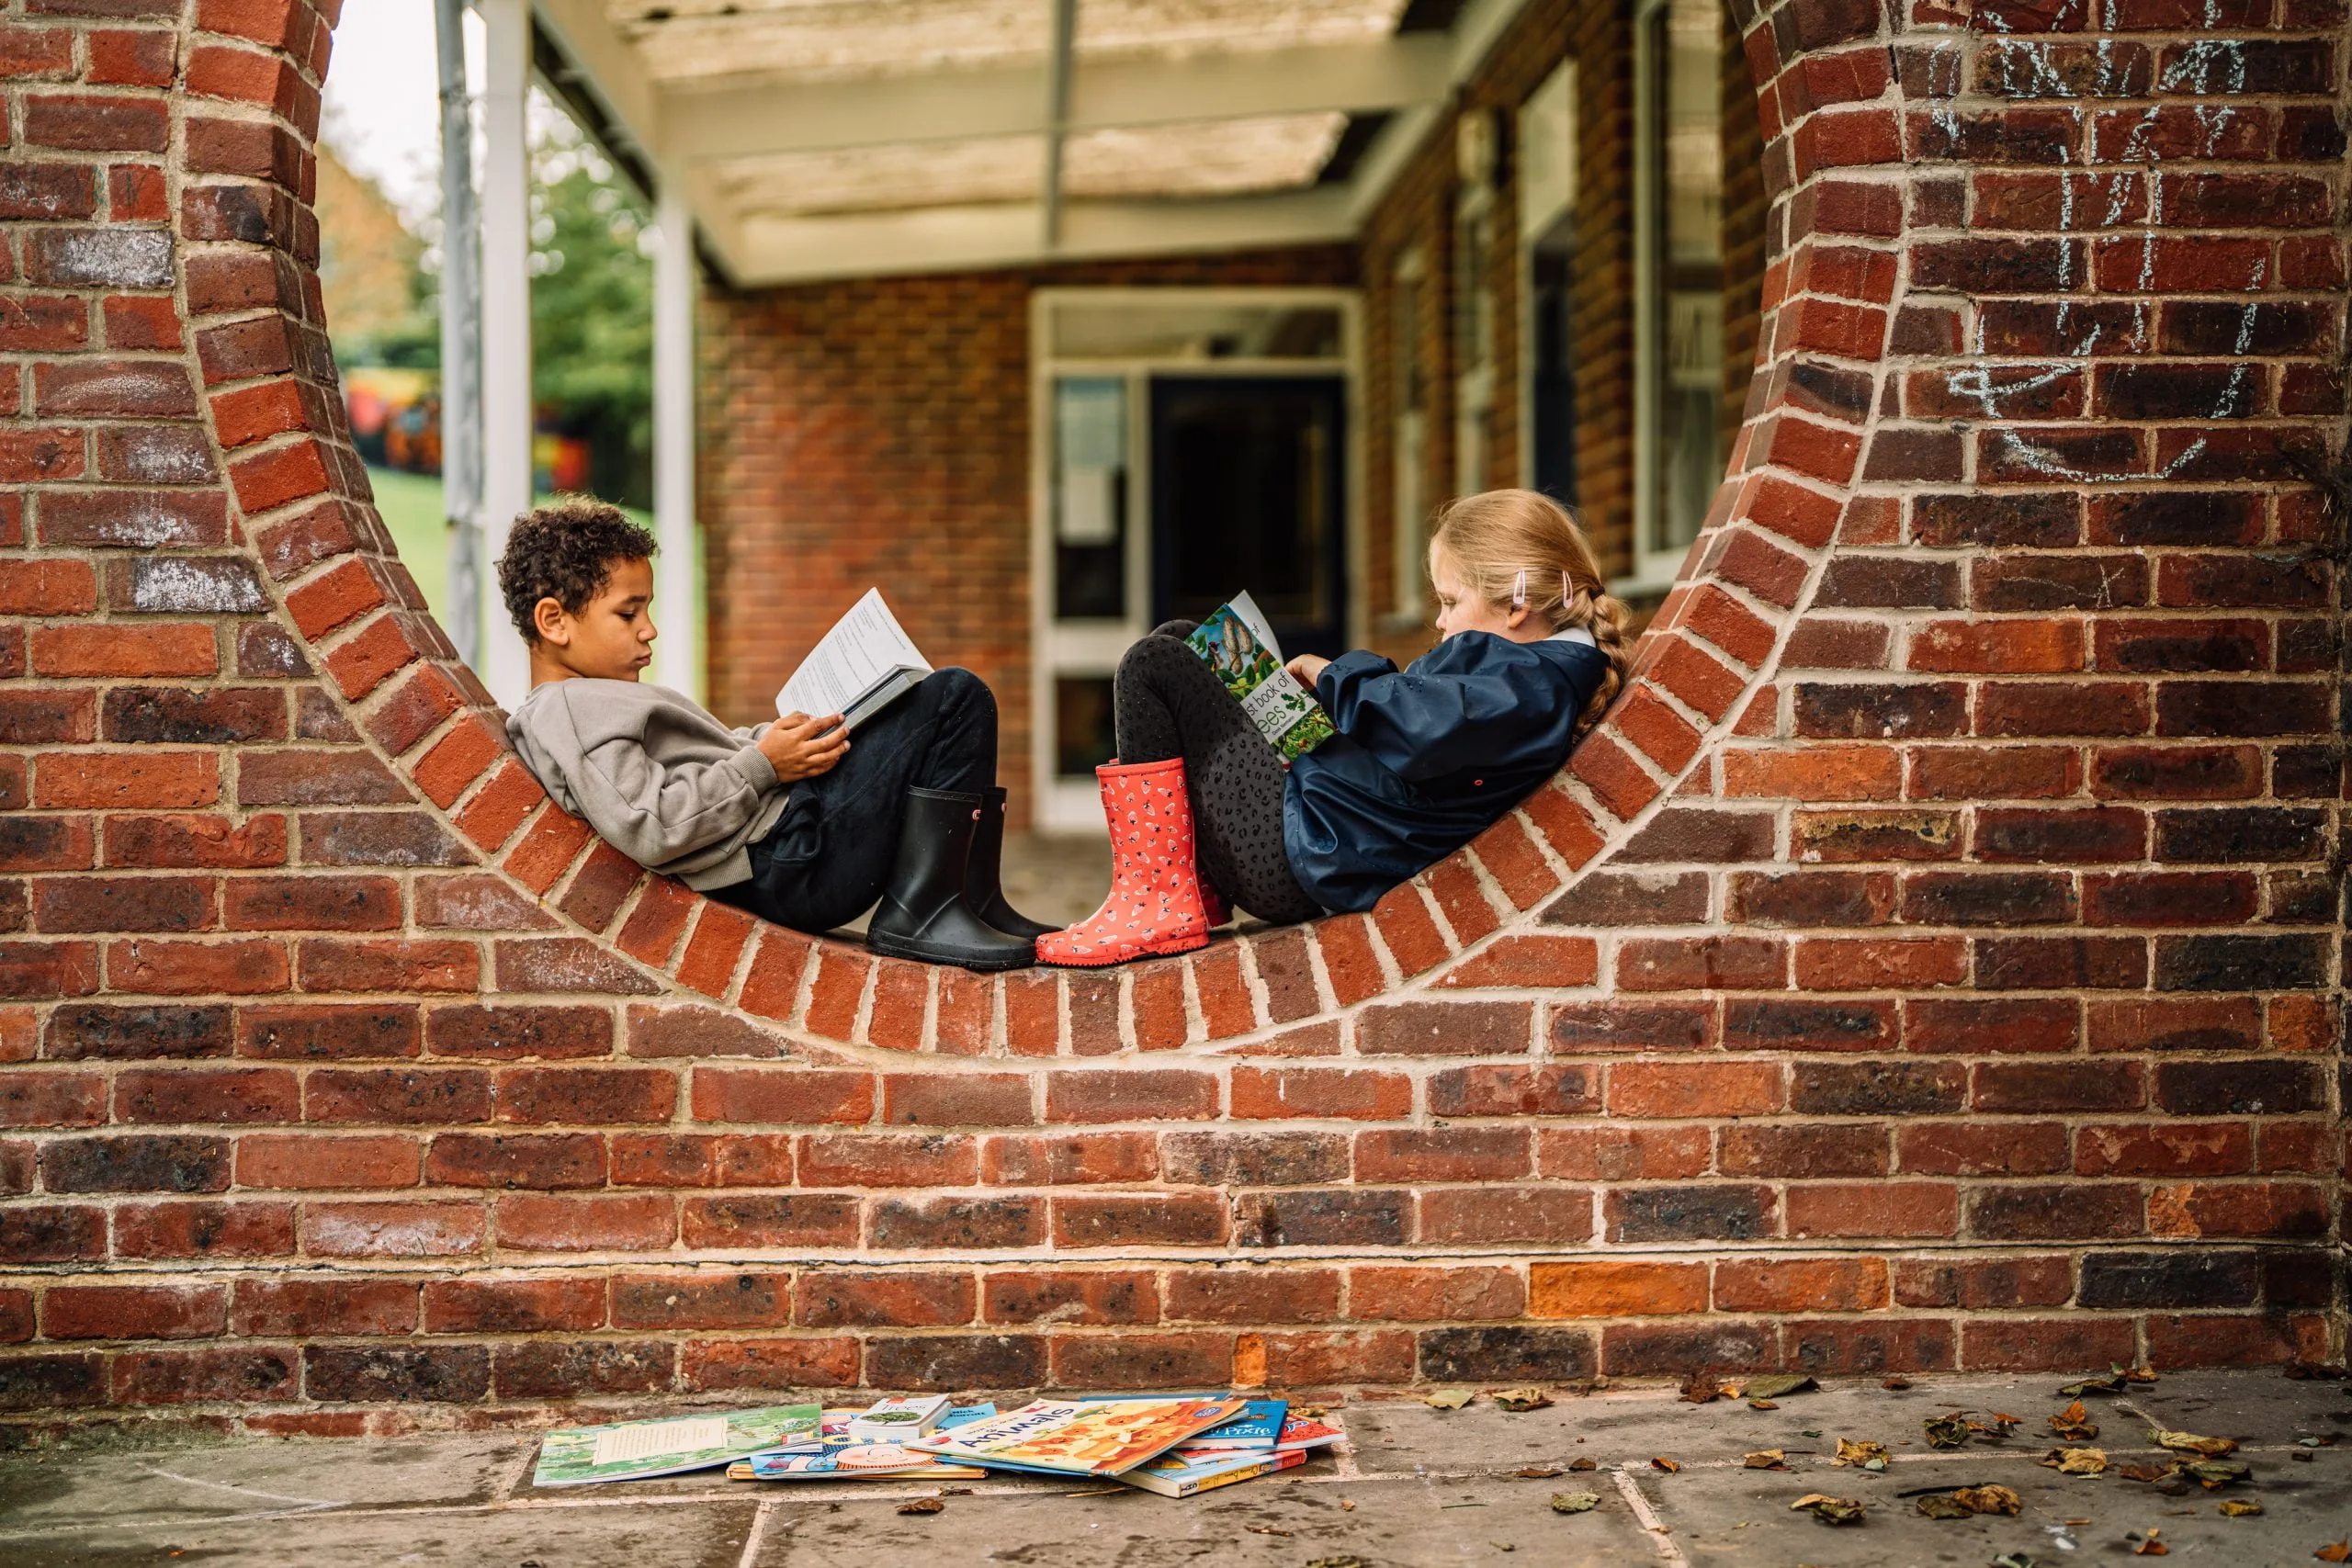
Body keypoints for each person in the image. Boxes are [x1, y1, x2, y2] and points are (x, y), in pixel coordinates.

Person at [1040, 488, 1628, 967]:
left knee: (1155, 664)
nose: (1442, 621)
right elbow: (1420, 736)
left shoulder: (1531, 687)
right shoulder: (1525, 673)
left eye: (1450, 601)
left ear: (1517, 604)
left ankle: (1156, 900)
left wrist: (1333, 677)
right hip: (1322, 821)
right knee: (1181, 639)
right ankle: (1189, 882)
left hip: (1307, 853)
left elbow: (1425, 726)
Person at [497, 500, 1051, 971]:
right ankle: (926, 912)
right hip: (786, 858)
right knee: (953, 697)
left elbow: (698, 761)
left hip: (789, 836)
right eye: (628, 612)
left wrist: (779, 738)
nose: (650, 628)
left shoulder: (590, 700)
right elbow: (651, 823)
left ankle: (971, 900)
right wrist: (765, 765)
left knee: (909, 697)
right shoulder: (567, 708)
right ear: (554, 622)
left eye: (648, 608)